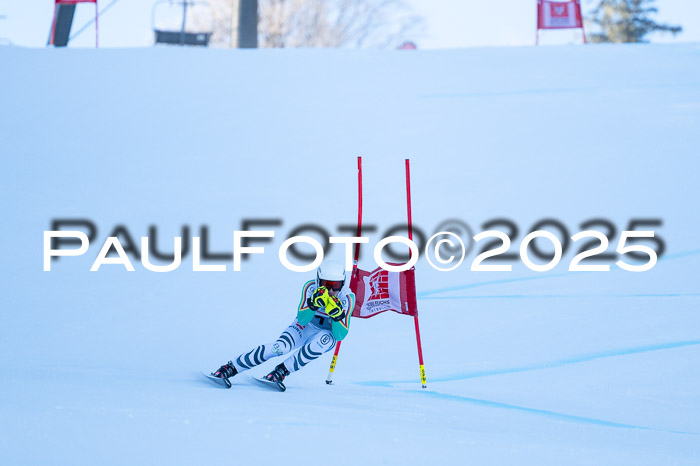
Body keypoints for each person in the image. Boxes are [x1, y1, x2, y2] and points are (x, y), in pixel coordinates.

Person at [211, 260, 355, 390]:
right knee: (280, 347)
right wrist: (312, 304)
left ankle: (280, 372)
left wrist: (337, 317)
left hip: (327, 332)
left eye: (335, 286)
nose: (330, 291)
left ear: (342, 284)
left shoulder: (347, 298)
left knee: (321, 343)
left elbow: (340, 335)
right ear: (318, 280)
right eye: (326, 284)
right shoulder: (310, 287)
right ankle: (230, 367)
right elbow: (302, 319)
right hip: (306, 326)